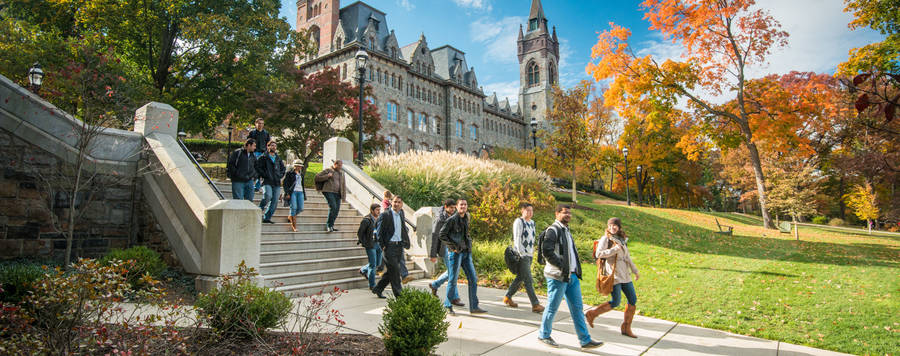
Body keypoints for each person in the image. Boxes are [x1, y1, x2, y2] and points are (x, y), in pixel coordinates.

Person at [537, 205, 603, 349]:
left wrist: (573, 270)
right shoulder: (553, 230)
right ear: (557, 213)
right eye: (565, 212)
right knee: (552, 307)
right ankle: (543, 334)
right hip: (557, 277)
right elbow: (546, 251)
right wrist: (561, 265)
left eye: (569, 213)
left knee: (577, 309)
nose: (568, 215)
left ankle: (585, 340)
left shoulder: (566, 230)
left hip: (571, 277)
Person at [585, 217, 641, 338]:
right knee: (616, 301)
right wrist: (614, 249)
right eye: (610, 225)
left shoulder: (622, 239)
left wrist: (635, 271)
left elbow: (627, 257)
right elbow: (599, 254)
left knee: (633, 300)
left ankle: (626, 327)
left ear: (619, 227)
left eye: (615, 225)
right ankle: (592, 314)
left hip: (625, 274)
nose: (612, 228)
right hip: (613, 275)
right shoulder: (606, 239)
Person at [439, 199, 487, 315]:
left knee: (473, 279)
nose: (463, 206)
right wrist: (453, 247)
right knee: (453, 280)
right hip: (455, 254)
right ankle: (448, 304)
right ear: (456, 206)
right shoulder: (451, 220)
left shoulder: (467, 217)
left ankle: (474, 307)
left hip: (466, 252)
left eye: (465, 205)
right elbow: (442, 235)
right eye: (461, 205)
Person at [503, 203, 544, 313]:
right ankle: (535, 304)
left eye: (531, 210)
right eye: (527, 210)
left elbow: (532, 238)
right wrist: (521, 253)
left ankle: (508, 297)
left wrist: (532, 252)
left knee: (520, 277)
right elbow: (517, 238)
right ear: (522, 211)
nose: (530, 212)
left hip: (529, 254)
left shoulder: (532, 223)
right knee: (528, 279)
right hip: (522, 255)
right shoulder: (519, 222)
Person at [372, 196, 410, 299]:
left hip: (399, 246)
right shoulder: (385, 215)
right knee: (396, 271)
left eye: (399, 202)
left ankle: (378, 288)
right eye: (395, 202)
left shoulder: (401, 213)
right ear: (391, 203)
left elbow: (402, 228)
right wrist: (383, 246)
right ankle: (399, 295)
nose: (396, 204)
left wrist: (404, 241)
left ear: (401, 204)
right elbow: (379, 233)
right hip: (389, 247)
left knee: (391, 271)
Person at [428, 199, 463, 306]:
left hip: (455, 249)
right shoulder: (440, 220)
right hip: (445, 249)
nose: (453, 210)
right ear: (446, 207)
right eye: (451, 207)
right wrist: (433, 254)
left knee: (452, 272)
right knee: (453, 272)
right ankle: (454, 297)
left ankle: (435, 284)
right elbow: (435, 237)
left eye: (454, 207)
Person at [255, 140, 285, 224]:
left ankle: (267, 217)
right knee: (267, 196)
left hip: (276, 182)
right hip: (266, 181)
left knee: (275, 201)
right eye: (272, 145)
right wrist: (264, 174)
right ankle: (259, 209)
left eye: (275, 146)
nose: (274, 147)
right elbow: (257, 167)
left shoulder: (278, 158)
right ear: (268, 147)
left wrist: (280, 175)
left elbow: (283, 169)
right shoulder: (263, 157)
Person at [314, 160, 345, 233]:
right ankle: (328, 225)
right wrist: (327, 176)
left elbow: (343, 185)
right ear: (335, 164)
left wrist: (343, 196)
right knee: (333, 207)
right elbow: (317, 177)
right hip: (328, 191)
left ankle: (331, 225)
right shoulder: (328, 170)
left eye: (341, 165)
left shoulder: (341, 174)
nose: (340, 167)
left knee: (336, 210)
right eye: (339, 165)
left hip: (338, 193)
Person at [357, 203, 382, 290]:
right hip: (370, 245)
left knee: (378, 263)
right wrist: (365, 243)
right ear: (372, 210)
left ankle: (363, 270)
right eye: (377, 210)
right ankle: (372, 285)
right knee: (373, 265)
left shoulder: (379, 219)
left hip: (379, 244)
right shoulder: (366, 220)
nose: (379, 211)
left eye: (379, 210)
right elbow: (360, 233)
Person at [281, 160, 307, 232]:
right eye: (297, 165)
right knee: (294, 208)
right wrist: (287, 193)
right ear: (294, 166)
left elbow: (302, 184)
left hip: (300, 192)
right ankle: (294, 226)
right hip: (293, 192)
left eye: (300, 166)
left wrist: (304, 194)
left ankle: (290, 216)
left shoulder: (301, 174)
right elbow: (285, 184)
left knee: (301, 208)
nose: (299, 167)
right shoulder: (289, 173)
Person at [247, 118, 270, 192]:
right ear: (255, 124)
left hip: (262, 153)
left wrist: (267, 152)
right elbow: (248, 143)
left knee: (260, 169)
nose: (260, 125)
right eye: (259, 123)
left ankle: (257, 186)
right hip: (254, 152)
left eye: (262, 123)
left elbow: (268, 144)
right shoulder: (252, 133)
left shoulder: (266, 133)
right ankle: (250, 184)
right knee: (252, 168)